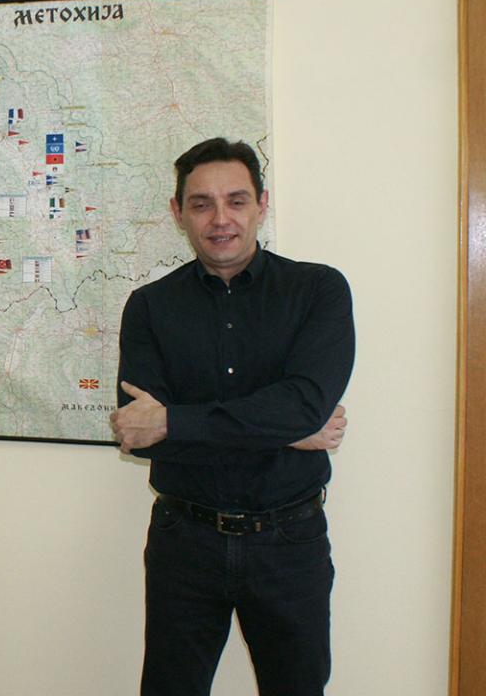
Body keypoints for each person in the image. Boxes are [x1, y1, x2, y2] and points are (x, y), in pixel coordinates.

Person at [110, 137, 355, 696]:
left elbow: (304, 404)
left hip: (290, 541)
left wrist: (175, 421)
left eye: (236, 200)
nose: (220, 219)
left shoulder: (318, 290)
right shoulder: (149, 307)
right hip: (184, 542)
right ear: (178, 213)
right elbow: (140, 433)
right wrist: (287, 432)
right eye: (201, 204)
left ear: (261, 204)